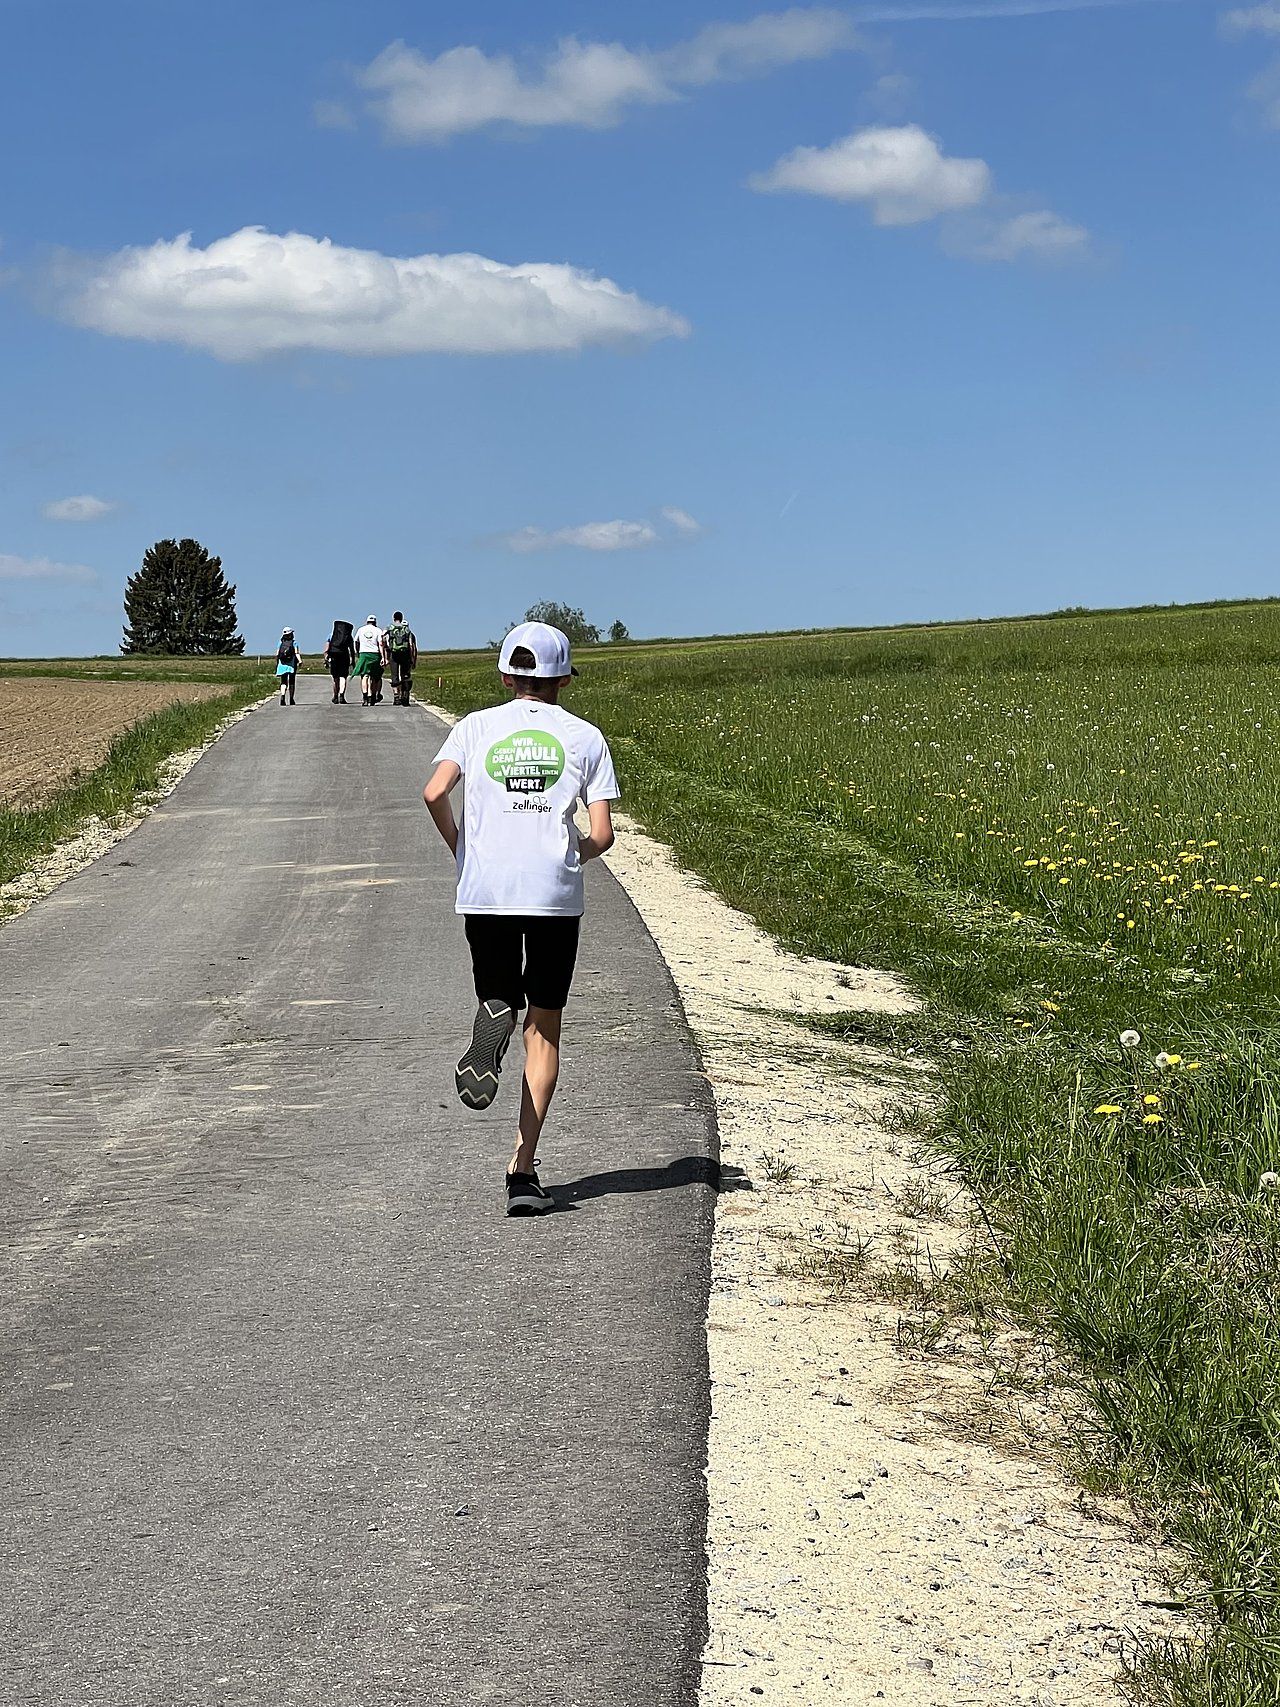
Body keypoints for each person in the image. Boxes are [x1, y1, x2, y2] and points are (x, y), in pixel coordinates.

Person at [422, 621, 619, 1216]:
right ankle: (523, 1169)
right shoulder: (585, 737)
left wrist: (462, 849)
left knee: (500, 995)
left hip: (487, 889)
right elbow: (603, 835)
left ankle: (494, 1016)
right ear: (561, 678)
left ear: (507, 675)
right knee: (547, 1026)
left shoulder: (475, 726)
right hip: (554, 894)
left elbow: (433, 792)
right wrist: (572, 852)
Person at [385, 611, 418, 707]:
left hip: (394, 655)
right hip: (406, 655)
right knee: (405, 675)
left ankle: (396, 697)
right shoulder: (407, 631)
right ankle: (405, 695)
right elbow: (412, 646)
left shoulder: (390, 628)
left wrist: (385, 656)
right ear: (402, 618)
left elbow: (384, 640)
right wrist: (412, 659)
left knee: (394, 676)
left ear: (393, 618)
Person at [352, 614, 386, 707]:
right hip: (375, 654)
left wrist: (358, 652)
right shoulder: (378, 630)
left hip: (363, 654)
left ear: (367, 622)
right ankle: (372, 697)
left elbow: (356, 641)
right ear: (375, 622)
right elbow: (381, 644)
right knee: (375, 677)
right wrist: (383, 657)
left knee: (364, 676)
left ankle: (365, 697)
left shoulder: (361, 629)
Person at [324, 619, 356, 704]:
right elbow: (352, 650)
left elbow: (326, 650)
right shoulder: (348, 636)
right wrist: (353, 661)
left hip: (334, 656)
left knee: (335, 678)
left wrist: (326, 659)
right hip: (344, 656)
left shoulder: (331, 636)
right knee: (343, 677)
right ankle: (341, 695)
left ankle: (335, 696)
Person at [275, 628, 301, 705]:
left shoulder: (280, 643)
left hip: (282, 664)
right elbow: (296, 653)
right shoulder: (294, 643)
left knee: (283, 682)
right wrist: (300, 661)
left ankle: (283, 696)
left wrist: (277, 663)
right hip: (291, 665)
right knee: (292, 682)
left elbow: (277, 654)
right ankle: (291, 699)